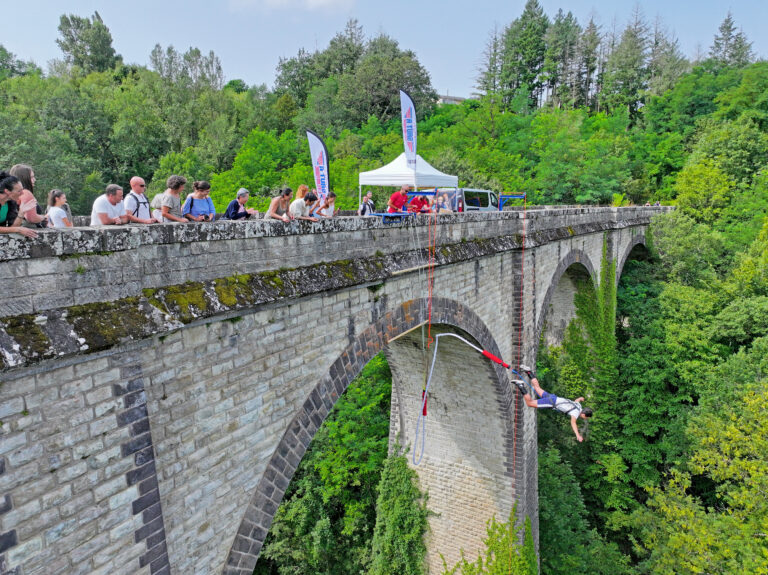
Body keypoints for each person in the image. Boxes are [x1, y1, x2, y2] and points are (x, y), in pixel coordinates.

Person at [513, 364, 593, 442]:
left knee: (537, 388)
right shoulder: (576, 413)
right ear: (584, 414)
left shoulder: (578, 406)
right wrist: (577, 435)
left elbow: (577, 400)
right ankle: (521, 385)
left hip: (553, 397)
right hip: (551, 402)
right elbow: (573, 423)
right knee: (530, 403)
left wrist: (580, 398)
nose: (585, 418)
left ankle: (528, 371)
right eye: (586, 417)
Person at [9, 164, 47, 228]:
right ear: (24, 178)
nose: (34, 180)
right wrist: (44, 217)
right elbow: (31, 218)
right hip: (29, 230)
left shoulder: (12, 193)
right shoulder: (25, 193)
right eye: (31, 177)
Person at [0, 172, 37, 238]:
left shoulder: (10, 203)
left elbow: (12, 228)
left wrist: (21, 213)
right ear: (7, 191)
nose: (22, 193)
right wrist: (19, 229)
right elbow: (15, 229)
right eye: (19, 191)